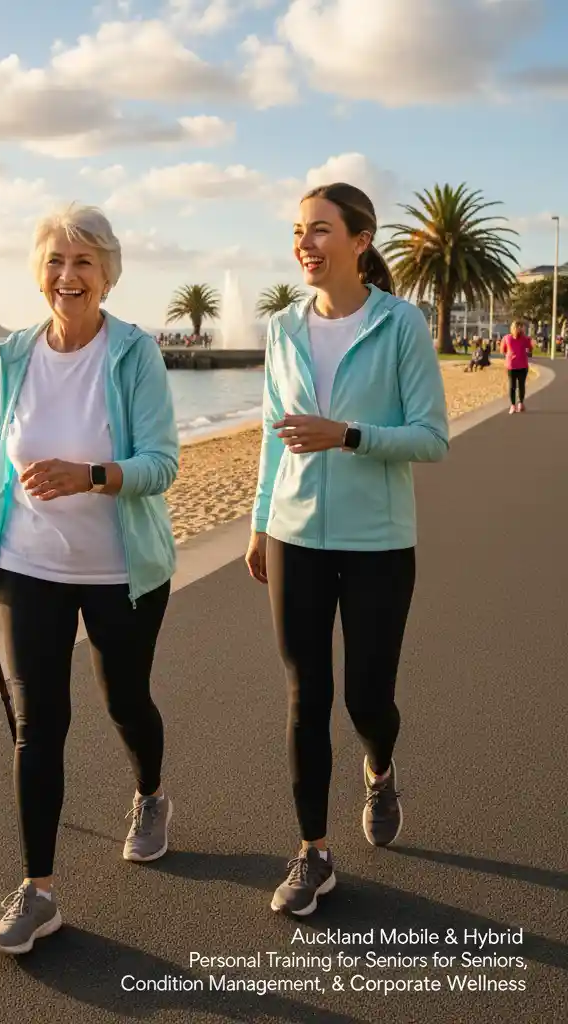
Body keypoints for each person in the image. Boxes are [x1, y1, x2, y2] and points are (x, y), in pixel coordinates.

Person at [0, 203, 179, 954]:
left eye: (84, 262)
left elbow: (163, 465)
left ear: (107, 273)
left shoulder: (134, 354)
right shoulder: (14, 354)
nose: (68, 275)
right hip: (29, 564)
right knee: (38, 722)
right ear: (39, 273)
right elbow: (0, 459)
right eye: (55, 260)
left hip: (120, 568)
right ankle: (39, 891)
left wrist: (88, 476)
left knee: (124, 701)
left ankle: (150, 795)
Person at [244, 182, 449, 918]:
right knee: (306, 696)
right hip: (296, 537)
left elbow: (432, 438)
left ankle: (380, 766)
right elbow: (274, 434)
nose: (306, 242)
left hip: (378, 542)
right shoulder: (282, 328)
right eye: (299, 230)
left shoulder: (401, 326)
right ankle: (312, 853)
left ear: (361, 240)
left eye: (321, 229)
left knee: (367, 697)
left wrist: (350, 435)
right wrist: (262, 521)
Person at [500, 321, 533, 413]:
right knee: (521, 385)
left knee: (512, 386)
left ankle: (514, 405)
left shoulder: (507, 338)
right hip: (521, 365)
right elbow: (530, 350)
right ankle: (520, 404)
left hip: (513, 365)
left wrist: (510, 354)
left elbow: (502, 351)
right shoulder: (525, 339)